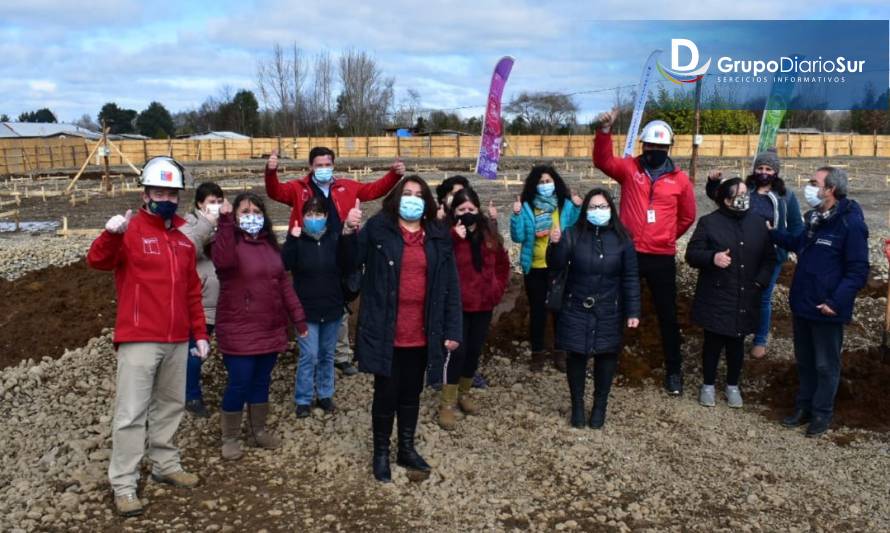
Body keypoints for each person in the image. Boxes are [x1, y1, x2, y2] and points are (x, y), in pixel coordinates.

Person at [87, 156, 209, 517]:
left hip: (176, 338)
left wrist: (199, 333)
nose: (165, 198)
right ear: (145, 193)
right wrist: (110, 236)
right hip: (139, 336)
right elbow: (97, 261)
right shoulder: (131, 231)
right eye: (159, 190)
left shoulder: (184, 241)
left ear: (179, 196)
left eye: (172, 192)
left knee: (170, 406)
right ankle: (123, 483)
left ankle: (164, 464)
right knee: (131, 413)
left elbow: (191, 291)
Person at [339, 175, 462, 482]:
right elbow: (350, 261)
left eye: (419, 194)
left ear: (427, 203)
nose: (412, 198)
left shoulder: (436, 234)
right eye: (406, 193)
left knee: (411, 392)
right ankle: (381, 452)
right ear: (397, 198)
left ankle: (405, 447)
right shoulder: (378, 229)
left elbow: (450, 286)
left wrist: (453, 329)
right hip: (386, 329)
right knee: (386, 392)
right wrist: (347, 232)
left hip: (423, 330)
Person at [593, 110, 696, 396]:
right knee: (616, 308)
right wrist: (604, 132)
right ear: (643, 146)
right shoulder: (629, 170)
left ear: (668, 149)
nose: (655, 151)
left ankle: (674, 372)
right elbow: (603, 161)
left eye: (661, 148)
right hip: (629, 253)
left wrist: (665, 238)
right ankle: (607, 363)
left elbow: (687, 216)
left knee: (667, 315)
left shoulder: (681, 181)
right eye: (651, 146)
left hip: (661, 258)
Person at [771, 167, 869, 437]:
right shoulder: (814, 219)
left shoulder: (850, 224)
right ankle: (803, 407)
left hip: (826, 308)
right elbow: (798, 243)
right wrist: (772, 233)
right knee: (805, 361)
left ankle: (821, 413)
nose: (810, 187)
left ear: (830, 190)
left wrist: (835, 303)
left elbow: (858, 271)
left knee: (826, 364)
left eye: (815, 183)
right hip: (804, 304)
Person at [213, 192, 308, 460]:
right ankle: (230, 437)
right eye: (244, 212)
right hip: (239, 328)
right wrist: (225, 223)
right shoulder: (229, 241)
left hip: (269, 326)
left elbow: (284, 284)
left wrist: (298, 317)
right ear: (235, 216)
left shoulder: (269, 246)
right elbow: (222, 262)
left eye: (256, 211)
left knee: (261, 381)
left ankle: (259, 430)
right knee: (239, 381)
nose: (251, 216)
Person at [547, 188, 641, 429]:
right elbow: (555, 266)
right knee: (576, 355)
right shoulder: (572, 234)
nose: (598, 211)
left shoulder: (623, 238)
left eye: (603, 206)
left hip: (610, 307)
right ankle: (577, 405)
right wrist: (554, 244)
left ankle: (600, 406)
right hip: (576, 305)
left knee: (606, 356)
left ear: (611, 209)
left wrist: (633, 311)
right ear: (585, 210)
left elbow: (630, 277)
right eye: (593, 207)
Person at [686, 178, 777, 409]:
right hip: (717, 293)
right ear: (726, 199)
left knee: (737, 342)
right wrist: (712, 258)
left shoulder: (758, 223)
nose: (744, 197)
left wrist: (760, 283)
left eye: (746, 192)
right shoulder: (709, 223)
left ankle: (732, 385)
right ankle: (707, 385)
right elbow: (692, 254)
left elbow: (769, 259)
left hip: (746, 293)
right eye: (738, 193)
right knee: (713, 342)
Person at [706, 149, 803, 359]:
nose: (764, 172)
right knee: (740, 292)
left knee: (764, 297)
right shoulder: (745, 189)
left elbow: (796, 225)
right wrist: (714, 183)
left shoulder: (786, 196)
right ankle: (735, 331)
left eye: (768, 169)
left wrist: (793, 246)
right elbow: (720, 197)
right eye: (760, 168)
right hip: (745, 251)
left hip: (772, 254)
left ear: (776, 172)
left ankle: (760, 339)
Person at [437, 187, 510, 430]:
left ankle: (464, 392)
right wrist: (453, 237)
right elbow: (438, 262)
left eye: (471, 209)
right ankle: (447, 402)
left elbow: (502, 264)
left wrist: (496, 289)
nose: (467, 213)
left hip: (483, 303)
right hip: (456, 305)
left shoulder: (489, 234)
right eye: (461, 209)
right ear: (453, 211)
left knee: (473, 350)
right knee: (456, 352)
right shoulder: (447, 234)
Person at [282, 196, 359, 418]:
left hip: (332, 307)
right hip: (306, 310)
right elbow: (284, 264)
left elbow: (349, 262)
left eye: (318, 214)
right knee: (309, 355)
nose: (314, 218)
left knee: (326, 354)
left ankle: (325, 395)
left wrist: (348, 233)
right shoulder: (297, 240)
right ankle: (303, 399)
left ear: (326, 217)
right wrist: (291, 240)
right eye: (309, 214)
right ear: (302, 217)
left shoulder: (334, 239)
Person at [510, 165, 581, 372]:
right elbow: (518, 237)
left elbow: (575, 230)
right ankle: (538, 354)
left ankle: (560, 352)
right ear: (533, 185)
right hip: (535, 267)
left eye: (548, 181)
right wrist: (515, 216)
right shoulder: (526, 207)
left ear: (556, 183)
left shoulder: (564, 206)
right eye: (540, 182)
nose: (545, 185)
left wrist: (577, 207)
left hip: (560, 268)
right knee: (538, 312)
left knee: (560, 311)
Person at [179, 181, 224, 418]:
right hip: (202, 301)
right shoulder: (189, 225)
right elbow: (189, 250)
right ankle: (191, 395)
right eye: (210, 202)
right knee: (195, 351)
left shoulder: (226, 222)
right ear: (199, 204)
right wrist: (209, 225)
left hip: (224, 301)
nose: (215, 207)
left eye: (218, 202)